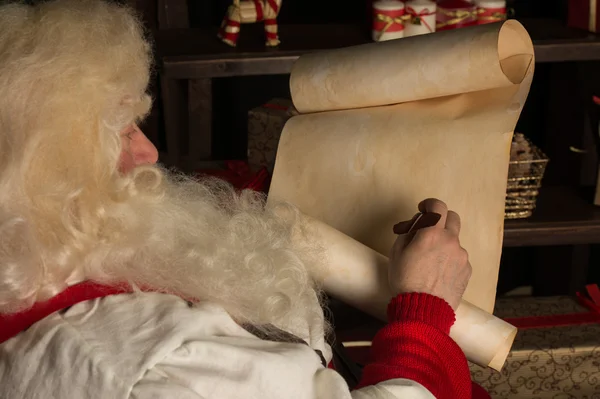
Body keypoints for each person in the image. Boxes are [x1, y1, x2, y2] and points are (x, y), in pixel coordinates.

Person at [0, 1, 490, 398]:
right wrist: (424, 307)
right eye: (118, 132)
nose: (149, 152)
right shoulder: (137, 365)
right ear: (41, 172)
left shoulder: (42, 256)